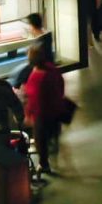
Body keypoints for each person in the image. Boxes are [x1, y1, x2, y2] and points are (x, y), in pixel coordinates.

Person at [23, 42, 65, 174]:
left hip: (42, 115)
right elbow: (61, 84)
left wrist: (29, 115)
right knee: (53, 133)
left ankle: (44, 164)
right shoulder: (52, 69)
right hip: (56, 109)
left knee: (40, 139)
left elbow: (34, 99)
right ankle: (54, 147)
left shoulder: (36, 77)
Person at [13, 12, 54, 88]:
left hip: (38, 68)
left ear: (32, 26)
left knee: (18, 73)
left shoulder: (40, 43)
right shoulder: (44, 37)